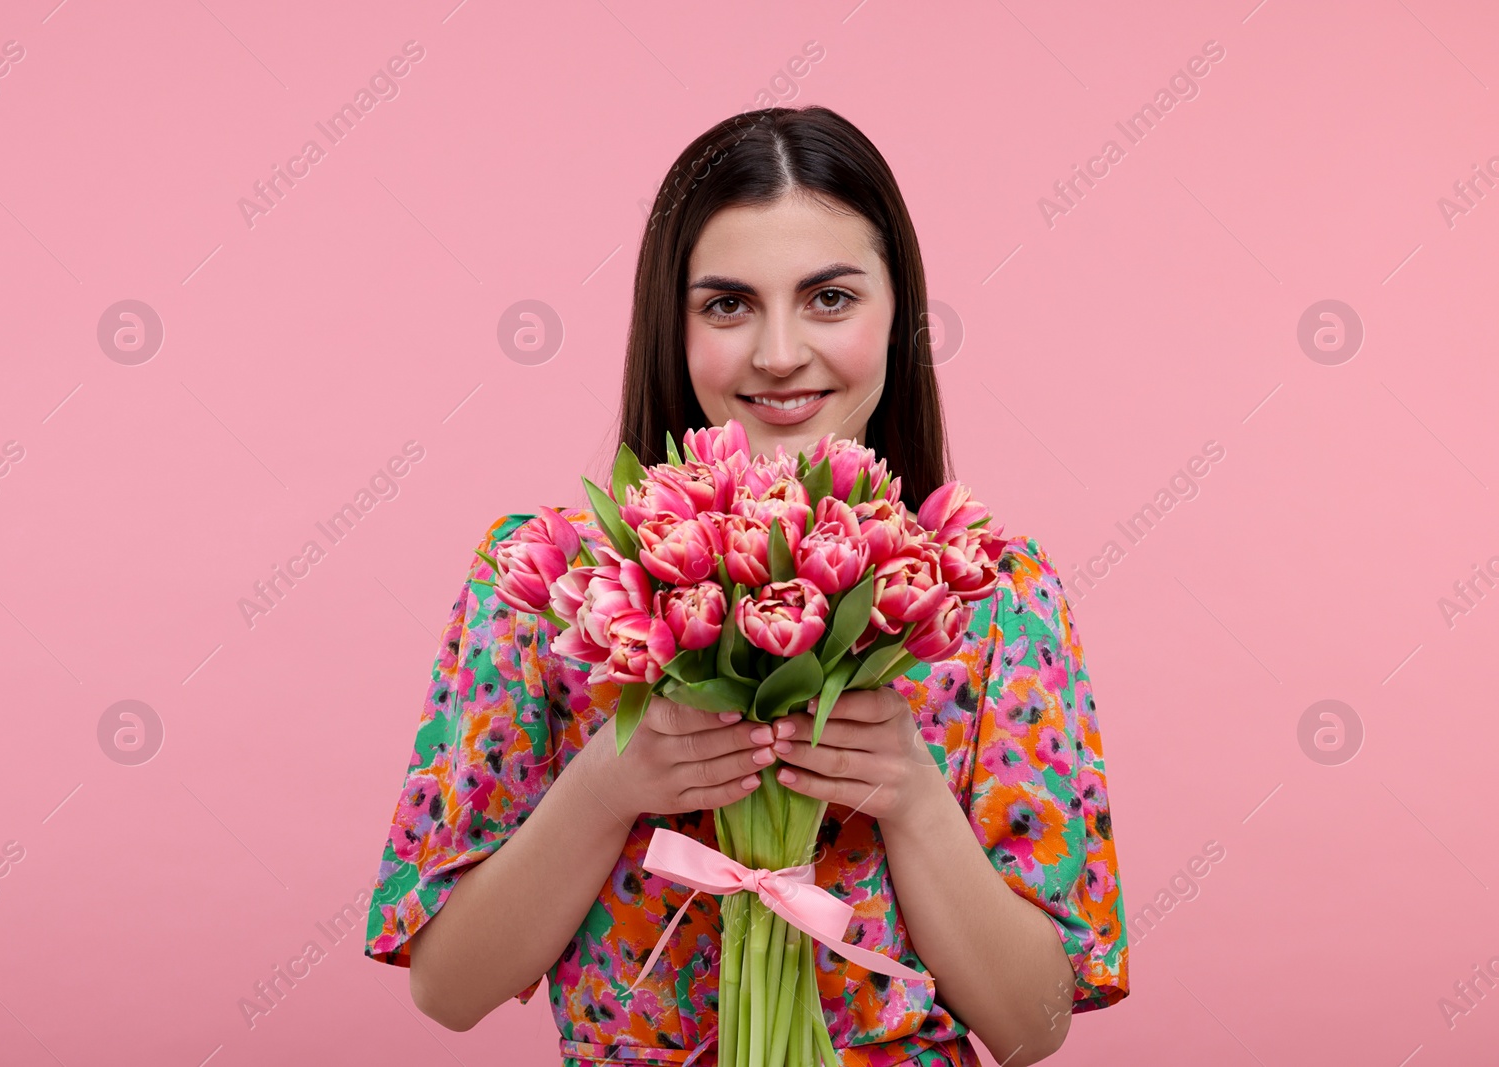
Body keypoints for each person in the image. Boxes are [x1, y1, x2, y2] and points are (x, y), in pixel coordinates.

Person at [363, 105, 1128, 1066]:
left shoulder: (991, 592)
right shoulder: (550, 582)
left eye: (830, 299)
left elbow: (1035, 1025)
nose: (777, 353)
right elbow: (448, 988)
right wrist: (605, 783)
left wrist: (913, 794)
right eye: (727, 304)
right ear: (670, 326)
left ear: (901, 313)